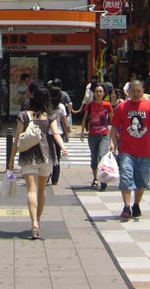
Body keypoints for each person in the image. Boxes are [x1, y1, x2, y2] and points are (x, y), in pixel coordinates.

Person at [7, 86, 67, 239]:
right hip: (46, 156)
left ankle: (33, 222)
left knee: (31, 190)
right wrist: (63, 147)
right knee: (42, 190)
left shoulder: (24, 116)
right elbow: (55, 133)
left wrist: (11, 160)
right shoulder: (50, 116)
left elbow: (17, 138)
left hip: (28, 156)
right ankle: (38, 220)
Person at [109, 80, 150, 221]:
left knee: (142, 180)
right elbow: (114, 126)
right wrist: (112, 142)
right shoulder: (122, 107)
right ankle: (126, 206)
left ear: (143, 91)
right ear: (129, 91)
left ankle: (136, 204)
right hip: (126, 150)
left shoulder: (149, 106)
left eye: (139, 91)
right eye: (133, 91)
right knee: (126, 177)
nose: (136, 94)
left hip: (144, 150)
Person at [80, 83, 113, 189]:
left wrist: (113, 135)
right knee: (94, 158)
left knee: (102, 155)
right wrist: (82, 132)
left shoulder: (107, 105)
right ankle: (95, 178)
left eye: (100, 91)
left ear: (104, 93)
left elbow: (112, 120)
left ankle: (103, 179)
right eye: (97, 91)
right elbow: (85, 118)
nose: (98, 93)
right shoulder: (89, 105)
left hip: (104, 134)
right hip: (92, 134)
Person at [48, 84, 69, 186]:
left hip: (47, 134)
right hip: (59, 133)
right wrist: (67, 133)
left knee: (47, 155)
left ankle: (46, 175)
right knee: (57, 157)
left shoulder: (46, 106)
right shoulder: (61, 107)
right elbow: (64, 122)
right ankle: (55, 180)